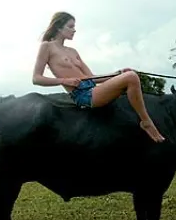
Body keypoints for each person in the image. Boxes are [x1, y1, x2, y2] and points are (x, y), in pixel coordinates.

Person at [32, 12, 165, 143]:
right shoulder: (47, 47)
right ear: (58, 27)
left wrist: (118, 73)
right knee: (131, 77)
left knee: (129, 75)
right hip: (82, 95)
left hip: (93, 90)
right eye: (71, 26)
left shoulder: (73, 51)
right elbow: (36, 78)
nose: (74, 30)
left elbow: (92, 78)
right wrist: (65, 81)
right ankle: (146, 122)